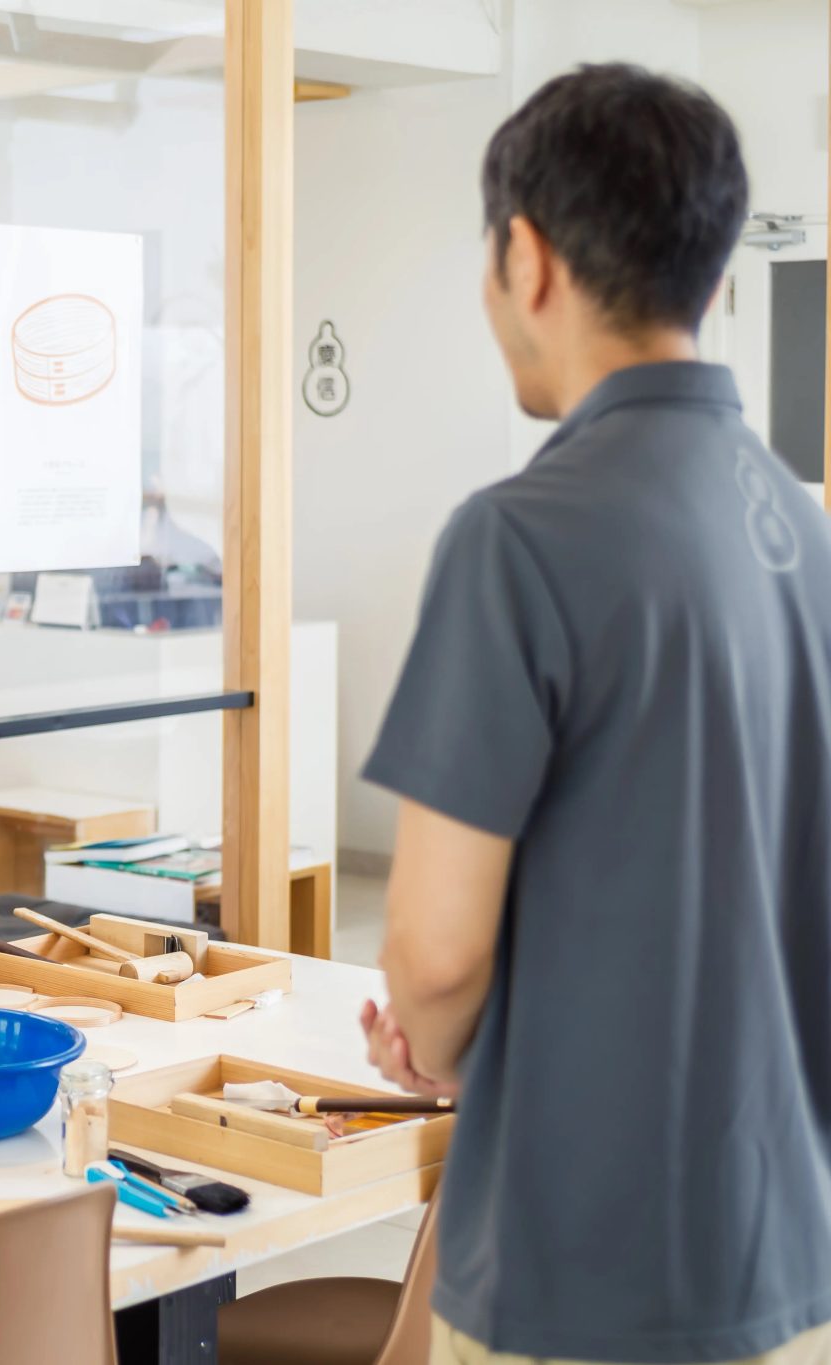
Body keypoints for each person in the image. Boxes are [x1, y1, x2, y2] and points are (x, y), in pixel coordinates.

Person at [360, 65, 831, 1364]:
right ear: (713, 271)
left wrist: (435, 1036)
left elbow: (439, 959)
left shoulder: (521, 538)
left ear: (527, 256)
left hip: (583, 1279)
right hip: (794, 1269)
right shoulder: (810, 533)